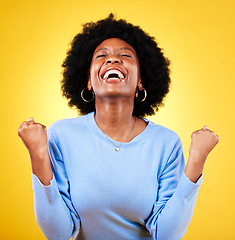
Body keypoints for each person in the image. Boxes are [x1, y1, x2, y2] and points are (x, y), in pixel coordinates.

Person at [18, 14, 219, 240]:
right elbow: (59, 233)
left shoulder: (166, 143)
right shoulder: (62, 136)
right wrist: (38, 155)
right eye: (101, 56)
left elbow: (166, 235)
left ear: (140, 80)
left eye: (125, 55)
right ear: (88, 81)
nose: (113, 60)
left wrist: (197, 162)